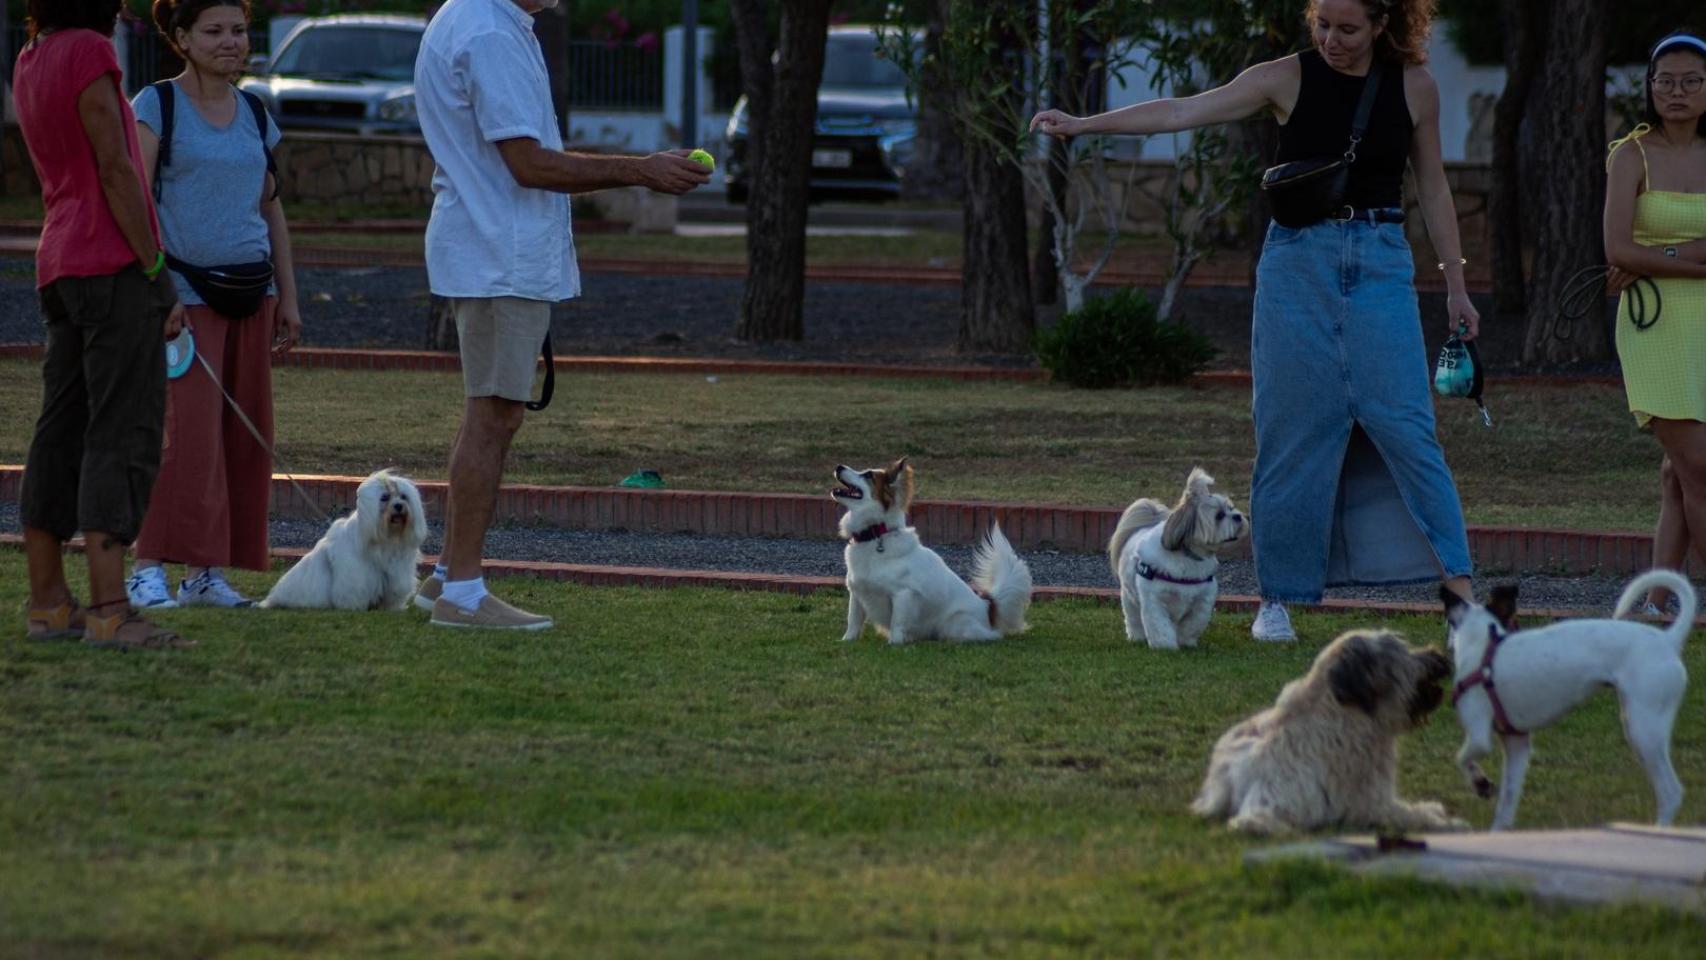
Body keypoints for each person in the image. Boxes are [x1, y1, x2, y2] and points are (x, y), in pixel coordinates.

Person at [1032, 0, 1476, 641]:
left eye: (1348, 29)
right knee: (1291, 428)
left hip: (1380, 260)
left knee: (1408, 426)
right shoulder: (1284, 76)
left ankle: (1462, 600)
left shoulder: (1415, 86)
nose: (1331, 40)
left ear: (1383, 23)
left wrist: (1456, 286)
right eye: (1322, 24)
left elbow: (1433, 187)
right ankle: (1278, 601)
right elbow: (1183, 110)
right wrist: (1082, 125)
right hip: (1297, 262)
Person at [410, 0, 710, 629]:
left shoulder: (477, 19)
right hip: (500, 251)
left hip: (494, 247)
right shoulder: (489, 30)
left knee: (489, 412)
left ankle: (444, 579)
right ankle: (463, 592)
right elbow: (531, 163)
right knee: (494, 415)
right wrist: (641, 170)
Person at [16, 0, 190, 648]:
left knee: (59, 431)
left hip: (59, 261)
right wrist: (156, 271)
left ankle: (49, 603)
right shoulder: (90, 51)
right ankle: (113, 610)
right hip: (109, 264)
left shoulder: (31, 57)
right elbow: (117, 169)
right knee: (122, 430)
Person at [122, 0, 303, 610]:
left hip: (252, 295)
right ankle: (145, 569)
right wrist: (158, 290)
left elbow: (270, 207)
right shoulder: (156, 106)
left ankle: (205, 573)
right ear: (180, 38)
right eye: (214, 31)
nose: (231, 42)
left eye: (238, 30)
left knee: (240, 439)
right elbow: (136, 204)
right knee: (184, 438)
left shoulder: (255, 111)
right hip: (184, 299)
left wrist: (288, 297)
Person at [1603, 30, 1706, 615]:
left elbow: (1638, 255)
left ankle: (1657, 599)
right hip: (1656, 327)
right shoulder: (1630, 155)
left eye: (1691, 80)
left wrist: (1659, 259)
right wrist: (1694, 260)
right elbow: (1617, 249)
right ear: (1648, 87)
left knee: (1677, 474)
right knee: (1699, 466)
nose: (1676, 91)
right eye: (1664, 80)